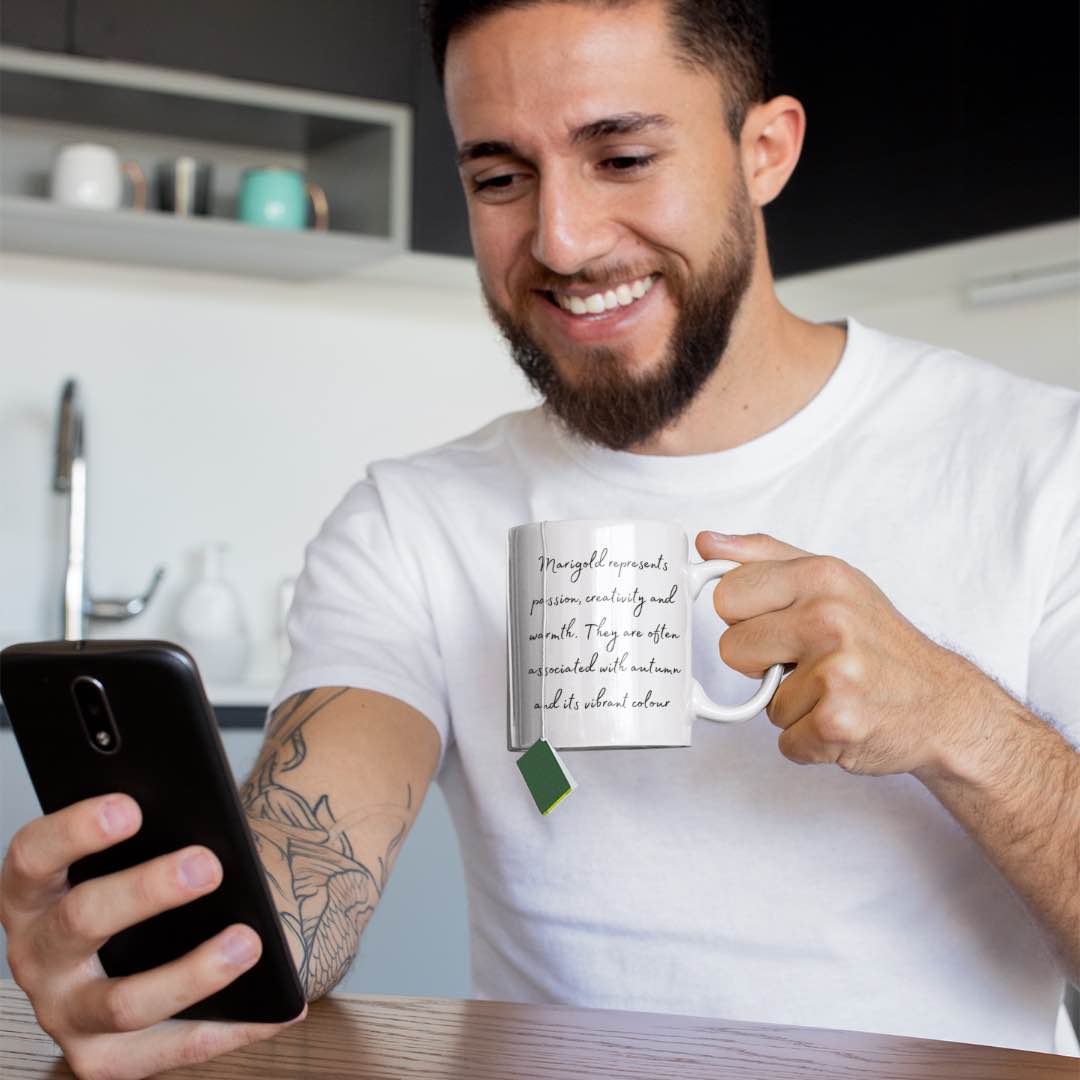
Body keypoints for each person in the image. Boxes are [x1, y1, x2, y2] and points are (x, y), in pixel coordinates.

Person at [2, 0, 1077, 1074]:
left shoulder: (1042, 463)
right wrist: (182, 949)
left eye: (622, 156)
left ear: (764, 151)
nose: (560, 240)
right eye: (500, 178)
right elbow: (308, 853)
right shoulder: (414, 524)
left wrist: (959, 721)